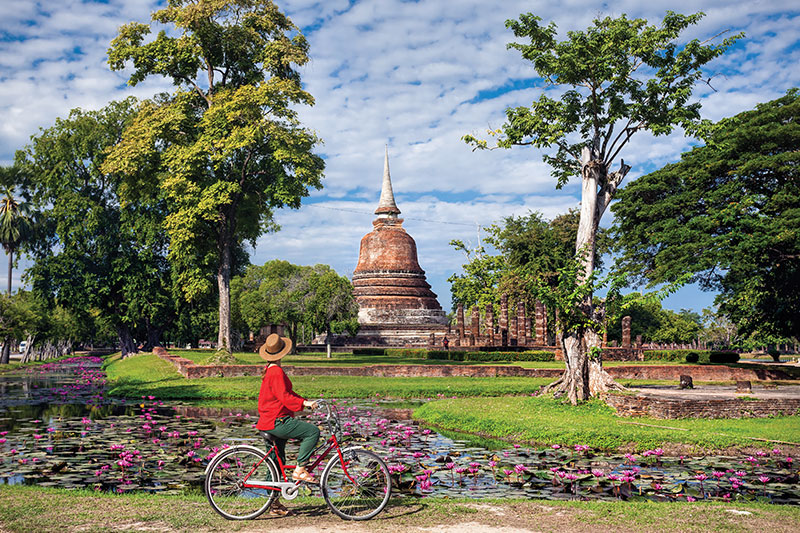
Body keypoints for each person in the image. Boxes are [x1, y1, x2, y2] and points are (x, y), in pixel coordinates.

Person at [256, 333, 320, 515]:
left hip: (269, 420)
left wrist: (305, 401)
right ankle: (300, 469)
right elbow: (284, 397)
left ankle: (273, 504)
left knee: (276, 462)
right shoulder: (276, 371)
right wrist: (303, 404)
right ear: (281, 353)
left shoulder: (271, 369)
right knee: (312, 432)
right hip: (276, 420)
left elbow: (288, 393)